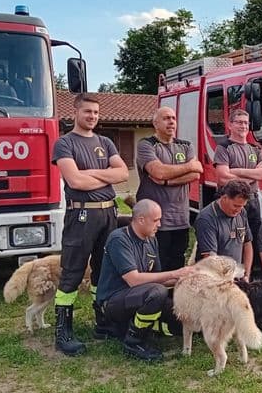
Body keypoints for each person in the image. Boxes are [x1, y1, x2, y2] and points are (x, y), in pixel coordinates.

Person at [51, 93, 129, 356]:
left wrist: (91, 174)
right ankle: (63, 330)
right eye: (87, 112)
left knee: (103, 270)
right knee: (72, 271)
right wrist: (105, 178)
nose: (92, 117)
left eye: (96, 112)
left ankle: (102, 322)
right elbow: (75, 182)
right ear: (76, 112)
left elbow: (123, 173)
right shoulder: (64, 144)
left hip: (108, 214)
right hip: (81, 216)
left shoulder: (105, 142)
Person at [97, 199, 194, 362]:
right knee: (157, 293)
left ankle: (140, 327)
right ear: (141, 219)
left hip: (141, 295)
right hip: (114, 301)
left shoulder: (151, 239)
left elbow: (157, 278)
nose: (160, 224)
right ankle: (134, 342)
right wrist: (174, 273)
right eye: (156, 220)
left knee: (182, 318)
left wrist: (185, 279)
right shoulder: (119, 239)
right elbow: (134, 280)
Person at [136, 106, 203, 271]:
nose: (171, 122)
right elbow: (158, 171)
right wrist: (188, 166)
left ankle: (173, 296)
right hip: (155, 222)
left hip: (180, 219)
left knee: (177, 264)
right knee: (155, 264)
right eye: (166, 118)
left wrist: (167, 181)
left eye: (173, 118)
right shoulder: (146, 145)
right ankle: (154, 296)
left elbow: (196, 174)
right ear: (155, 123)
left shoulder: (186, 145)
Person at [213, 109, 262, 252]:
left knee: (254, 236)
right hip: (231, 200)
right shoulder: (224, 148)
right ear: (230, 125)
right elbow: (223, 177)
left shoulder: (255, 148)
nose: (243, 126)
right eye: (239, 122)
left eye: (246, 123)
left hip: (252, 200)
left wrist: (236, 171)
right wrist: (255, 174)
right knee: (234, 238)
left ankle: (253, 271)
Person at [194, 180, 254, 281]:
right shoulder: (206, 219)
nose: (239, 210)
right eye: (235, 206)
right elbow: (210, 257)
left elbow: (247, 244)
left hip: (236, 276)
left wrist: (246, 274)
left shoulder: (241, 212)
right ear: (224, 197)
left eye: (242, 206)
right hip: (214, 279)